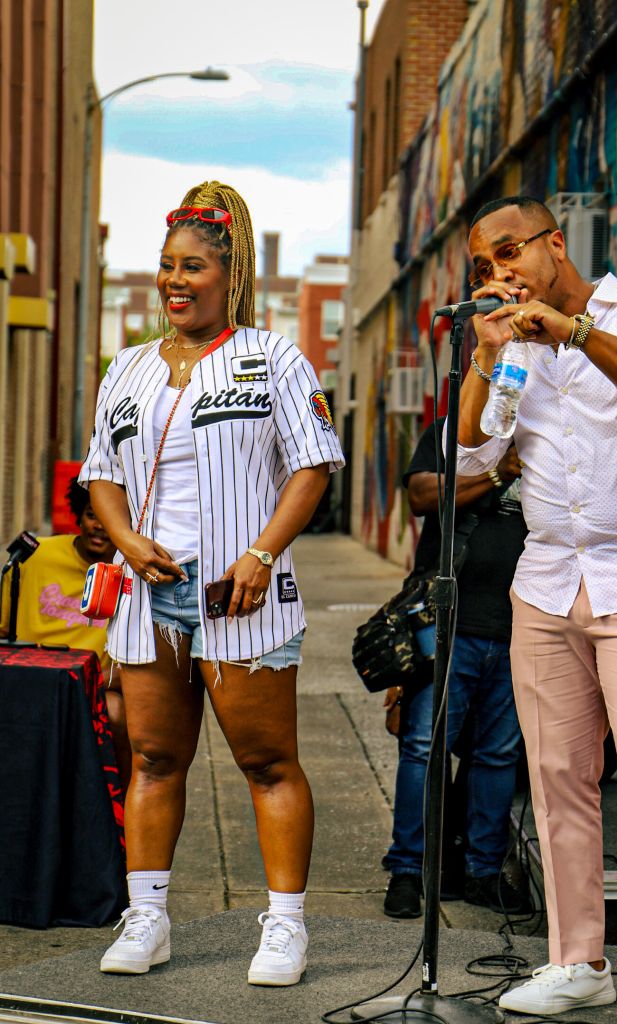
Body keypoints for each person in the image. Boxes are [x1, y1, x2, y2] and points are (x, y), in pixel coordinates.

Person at [79, 181, 344, 986]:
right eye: (165, 266)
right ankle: (149, 918)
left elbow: (313, 464)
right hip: (151, 594)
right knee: (155, 759)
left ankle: (286, 927)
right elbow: (101, 475)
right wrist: (126, 541)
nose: (174, 280)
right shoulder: (126, 370)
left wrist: (261, 554)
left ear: (230, 275)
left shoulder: (273, 359)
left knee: (267, 761)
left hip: (240, 592)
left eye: (192, 266)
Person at [455, 196, 617, 1024]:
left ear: (554, 243)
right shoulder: (514, 351)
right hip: (548, 582)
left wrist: (569, 331)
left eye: (508, 254)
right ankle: (578, 960)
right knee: (558, 781)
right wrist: (486, 357)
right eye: (486, 268)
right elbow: (470, 455)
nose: (500, 275)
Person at [383, 417, 527, 919]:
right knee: (424, 748)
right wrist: (496, 474)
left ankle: (482, 873)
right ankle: (407, 870)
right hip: (447, 619)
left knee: (498, 754)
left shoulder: (559, 426)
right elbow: (421, 495)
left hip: (522, 623)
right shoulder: (456, 426)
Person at [0, 478, 131, 787]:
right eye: (91, 514)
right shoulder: (35, 555)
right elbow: (4, 629)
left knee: (117, 713)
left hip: (93, 689)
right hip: (30, 679)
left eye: (109, 517)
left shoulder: (131, 576)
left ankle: (120, 809)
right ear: (78, 515)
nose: (99, 526)